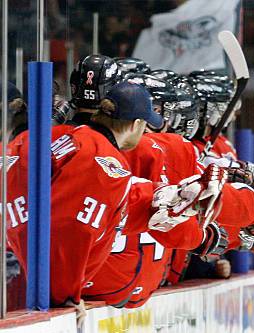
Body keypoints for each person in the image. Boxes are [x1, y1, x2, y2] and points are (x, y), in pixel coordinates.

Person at [6, 82, 213, 307]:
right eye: (144, 126)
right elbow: (72, 226)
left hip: (27, 280)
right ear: (136, 124)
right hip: (40, 291)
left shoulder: (74, 138)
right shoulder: (105, 159)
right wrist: (64, 293)